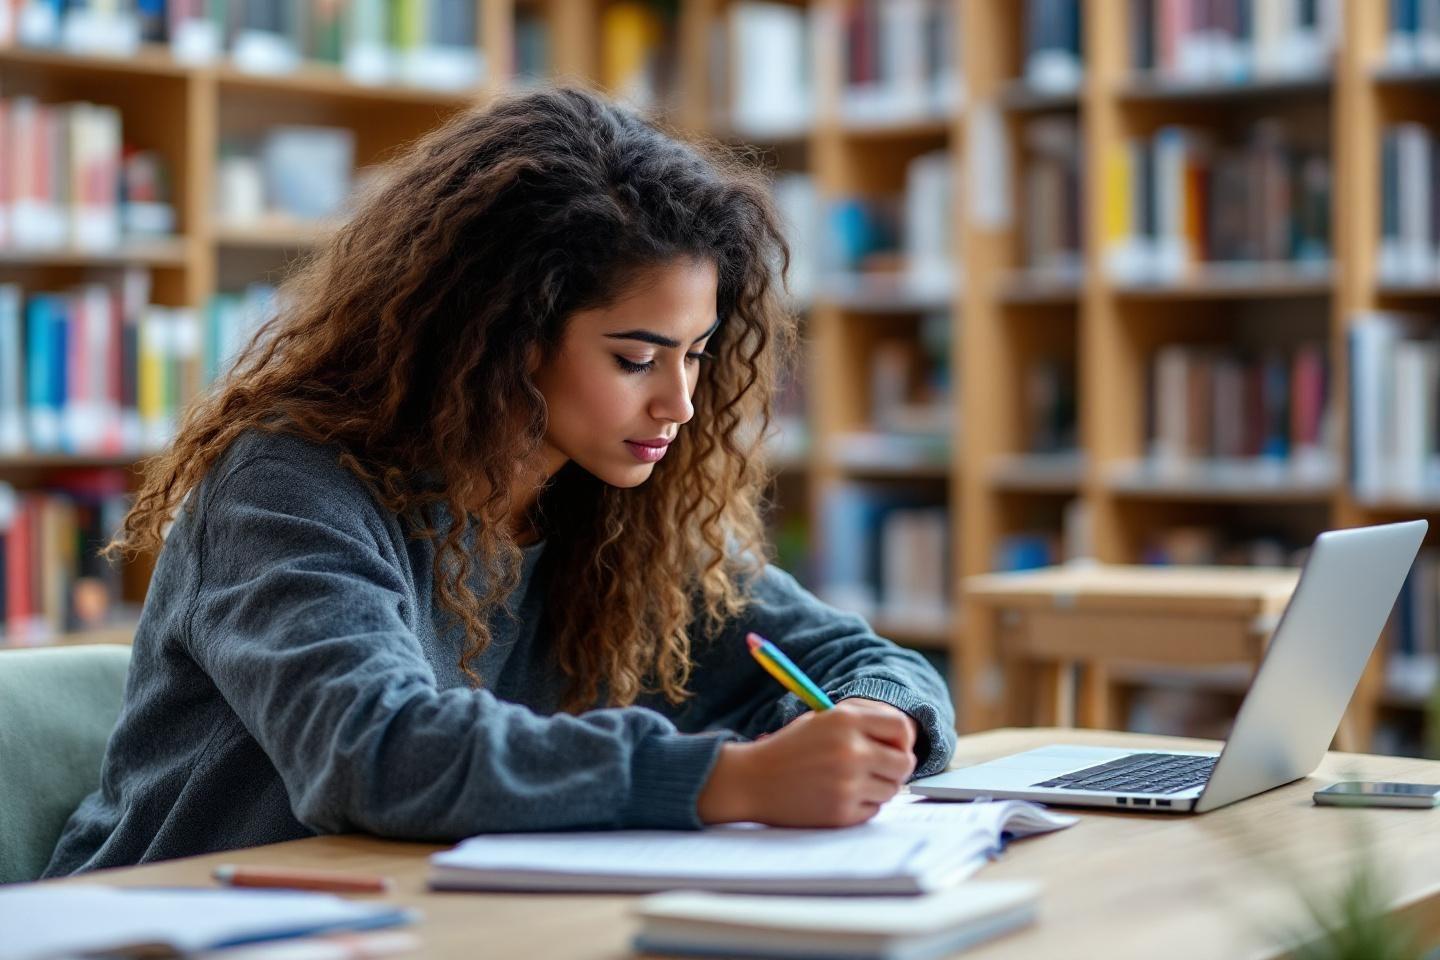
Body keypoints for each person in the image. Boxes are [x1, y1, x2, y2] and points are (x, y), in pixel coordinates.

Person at [44, 87, 956, 875]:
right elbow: (375, 752)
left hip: (411, 919)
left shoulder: (613, 509)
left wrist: (876, 721)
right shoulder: (285, 485)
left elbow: (862, 661)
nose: (680, 403)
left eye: (697, 354)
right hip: (170, 920)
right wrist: (730, 779)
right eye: (636, 358)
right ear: (499, 336)